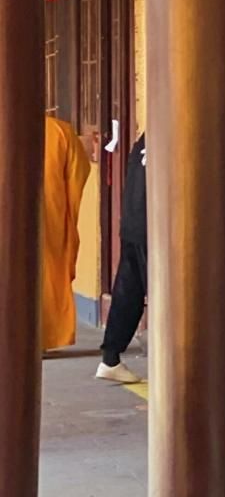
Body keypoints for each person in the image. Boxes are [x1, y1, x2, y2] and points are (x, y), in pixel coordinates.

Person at [96, 133, 146, 384]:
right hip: (155, 228)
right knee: (169, 299)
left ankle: (110, 358)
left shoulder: (144, 141)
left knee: (128, 292)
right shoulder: (179, 131)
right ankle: (178, 363)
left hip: (132, 226)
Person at [42, 114, 91, 354]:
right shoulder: (59, 132)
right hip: (47, 219)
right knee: (45, 277)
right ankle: (41, 338)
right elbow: (77, 175)